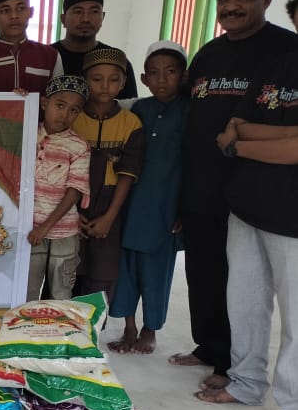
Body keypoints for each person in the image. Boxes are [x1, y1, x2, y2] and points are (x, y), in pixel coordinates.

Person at [172, 0, 298, 383]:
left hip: (260, 191)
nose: (233, 7)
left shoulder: (285, 50)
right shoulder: (209, 53)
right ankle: (210, 347)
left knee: (245, 288)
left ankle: (235, 366)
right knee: (203, 272)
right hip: (203, 187)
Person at [196, 45, 298, 410]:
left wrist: (242, 144)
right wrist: (278, 135)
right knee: (245, 301)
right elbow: (237, 121)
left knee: (296, 320)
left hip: (293, 220)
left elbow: (279, 144)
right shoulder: (279, 62)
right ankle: (246, 382)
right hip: (248, 207)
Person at [108, 41, 188, 354]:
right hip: (131, 204)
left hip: (166, 207)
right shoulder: (139, 109)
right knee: (125, 270)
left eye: (170, 72)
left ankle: (149, 329)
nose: (162, 79)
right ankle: (128, 328)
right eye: (153, 73)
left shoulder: (191, 111)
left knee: (157, 274)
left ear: (183, 75)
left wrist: (186, 209)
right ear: (143, 79)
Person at [70, 47, 144, 299]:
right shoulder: (72, 118)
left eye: (114, 80)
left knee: (101, 277)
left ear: (123, 82)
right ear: (85, 81)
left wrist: (109, 217)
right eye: (96, 79)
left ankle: (92, 334)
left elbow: (127, 173)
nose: (105, 86)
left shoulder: (130, 123)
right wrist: (71, 214)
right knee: (66, 272)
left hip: (110, 205)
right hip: (72, 202)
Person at [27, 75, 91, 301]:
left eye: (74, 110)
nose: (64, 115)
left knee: (61, 292)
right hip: (30, 229)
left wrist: (46, 227)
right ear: (45, 104)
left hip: (63, 231)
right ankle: (26, 334)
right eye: (60, 105)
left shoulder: (79, 146)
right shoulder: (26, 134)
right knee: (28, 291)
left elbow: (74, 192)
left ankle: (57, 337)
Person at [51, 0, 137, 100]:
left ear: (103, 17)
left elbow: (128, 107)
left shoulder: (114, 59)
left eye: (94, 11)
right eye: (78, 12)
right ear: (63, 19)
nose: (86, 19)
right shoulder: (47, 57)